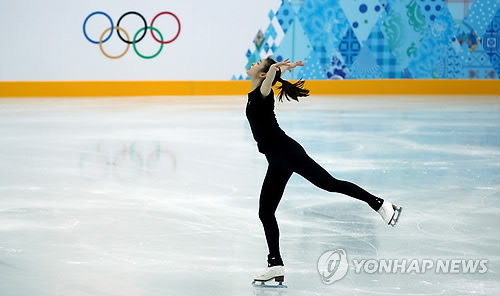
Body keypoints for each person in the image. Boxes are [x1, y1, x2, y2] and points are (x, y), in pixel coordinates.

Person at [245, 56, 402, 285]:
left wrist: (275, 70)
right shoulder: (255, 93)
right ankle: (275, 264)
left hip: (287, 153)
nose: (253, 63)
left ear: (262, 74)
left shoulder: (264, 91)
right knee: (266, 212)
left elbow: (269, 80)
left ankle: (380, 204)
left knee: (330, 184)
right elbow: (268, 78)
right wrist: (279, 70)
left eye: (258, 63)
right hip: (277, 160)